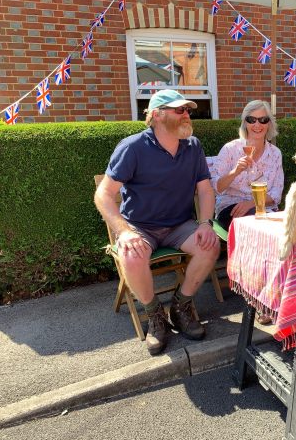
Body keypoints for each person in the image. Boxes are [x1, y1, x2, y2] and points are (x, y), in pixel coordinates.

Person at [94, 89, 220, 356]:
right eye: (179, 110)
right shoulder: (133, 147)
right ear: (157, 115)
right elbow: (103, 194)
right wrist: (124, 233)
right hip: (141, 226)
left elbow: (206, 190)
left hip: (179, 225)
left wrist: (206, 223)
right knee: (131, 255)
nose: (187, 114)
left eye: (188, 110)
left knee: (210, 246)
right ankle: (154, 315)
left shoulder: (193, 146)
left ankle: (181, 306)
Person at [212, 99, 284, 231]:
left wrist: (250, 204)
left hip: (264, 210)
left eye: (263, 120)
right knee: (261, 227)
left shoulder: (275, 154)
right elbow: (217, 188)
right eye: (252, 119)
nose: (257, 125)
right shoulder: (230, 149)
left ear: (269, 124)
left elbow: (276, 194)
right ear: (245, 122)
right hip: (232, 208)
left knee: (284, 227)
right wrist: (235, 171)